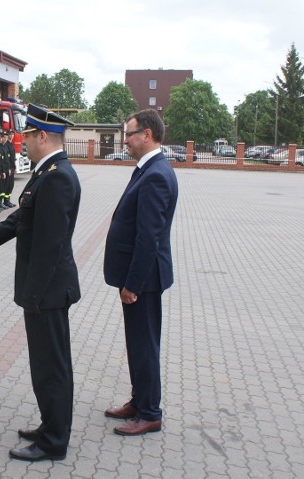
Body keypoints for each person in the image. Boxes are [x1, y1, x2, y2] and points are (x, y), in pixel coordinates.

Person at [0, 104, 81, 462]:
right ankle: (50, 425)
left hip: (47, 291)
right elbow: (20, 219)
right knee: (45, 363)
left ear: (42, 136)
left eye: (27, 136)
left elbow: (49, 245)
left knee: (52, 366)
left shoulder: (57, 176)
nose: (22, 142)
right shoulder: (50, 172)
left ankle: (54, 441)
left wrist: (34, 295)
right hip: (47, 289)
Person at [102, 109, 178, 436]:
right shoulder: (149, 169)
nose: (126, 141)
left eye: (129, 134)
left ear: (146, 134)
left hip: (144, 281)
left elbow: (149, 237)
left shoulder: (157, 174)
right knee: (137, 343)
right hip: (140, 278)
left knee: (144, 345)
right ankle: (139, 400)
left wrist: (132, 283)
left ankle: (149, 412)